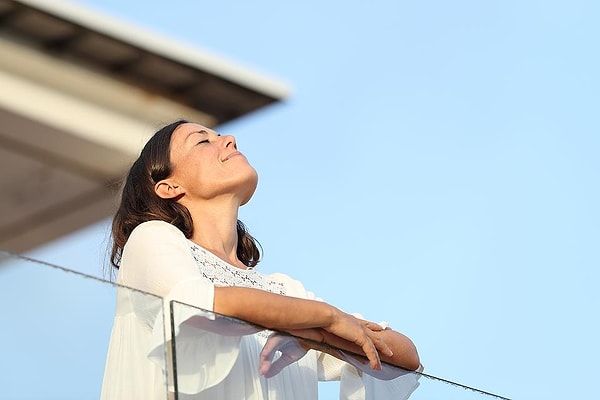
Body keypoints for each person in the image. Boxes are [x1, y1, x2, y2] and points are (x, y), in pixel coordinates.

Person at [100, 120, 420, 400]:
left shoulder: (283, 289)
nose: (229, 140)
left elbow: (405, 361)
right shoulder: (151, 238)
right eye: (202, 140)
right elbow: (200, 304)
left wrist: (321, 335)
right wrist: (325, 318)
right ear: (169, 187)